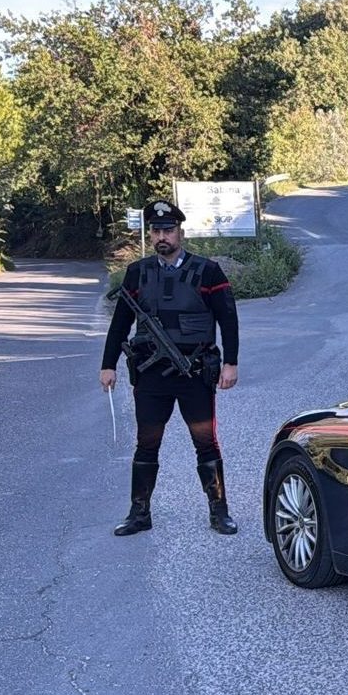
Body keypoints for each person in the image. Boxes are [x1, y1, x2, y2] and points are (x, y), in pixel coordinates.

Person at [100, 199, 241, 536]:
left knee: (205, 443)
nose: (162, 236)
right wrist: (108, 366)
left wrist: (231, 363)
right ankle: (139, 513)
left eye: (168, 230)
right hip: (151, 377)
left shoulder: (208, 271)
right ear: (150, 234)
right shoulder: (136, 273)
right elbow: (120, 323)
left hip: (194, 373)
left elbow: (228, 320)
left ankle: (219, 512)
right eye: (156, 231)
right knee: (147, 443)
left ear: (180, 232)